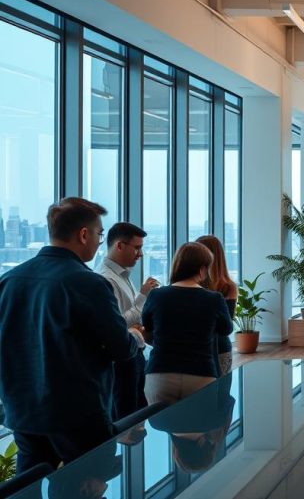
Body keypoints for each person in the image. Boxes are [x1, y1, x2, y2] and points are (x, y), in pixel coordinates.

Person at [0, 198, 141, 473]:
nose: (100, 241)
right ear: (84, 234)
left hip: (24, 413)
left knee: (29, 487)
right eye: (100, 234)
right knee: (86, 486)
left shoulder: (9, 280)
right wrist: (135, 335)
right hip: (78, 418)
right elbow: (121, 349)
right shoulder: (89, 283)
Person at [142, 242, 233, 406]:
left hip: (160, 373)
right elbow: (226, 329)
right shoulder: (214, 299)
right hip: (201, 373)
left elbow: (147, 329)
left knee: (165, 425)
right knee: (196, 427)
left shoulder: (156, 295)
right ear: (202, 269)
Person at [97, 222, 160, 420]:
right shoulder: (105, 279)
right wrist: (143, 297)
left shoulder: (122, 275)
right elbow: (117, 324)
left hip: (134, 352)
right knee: (127, 416)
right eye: (137, 248)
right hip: (122, 361)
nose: (140, 254)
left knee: (137, 412)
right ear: (119, 246)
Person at [195, 235, 238, 375]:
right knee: (221, 393)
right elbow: (226, 323)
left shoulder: (192, 284)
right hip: (218, 346)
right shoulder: (229, 286)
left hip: (209, 348)